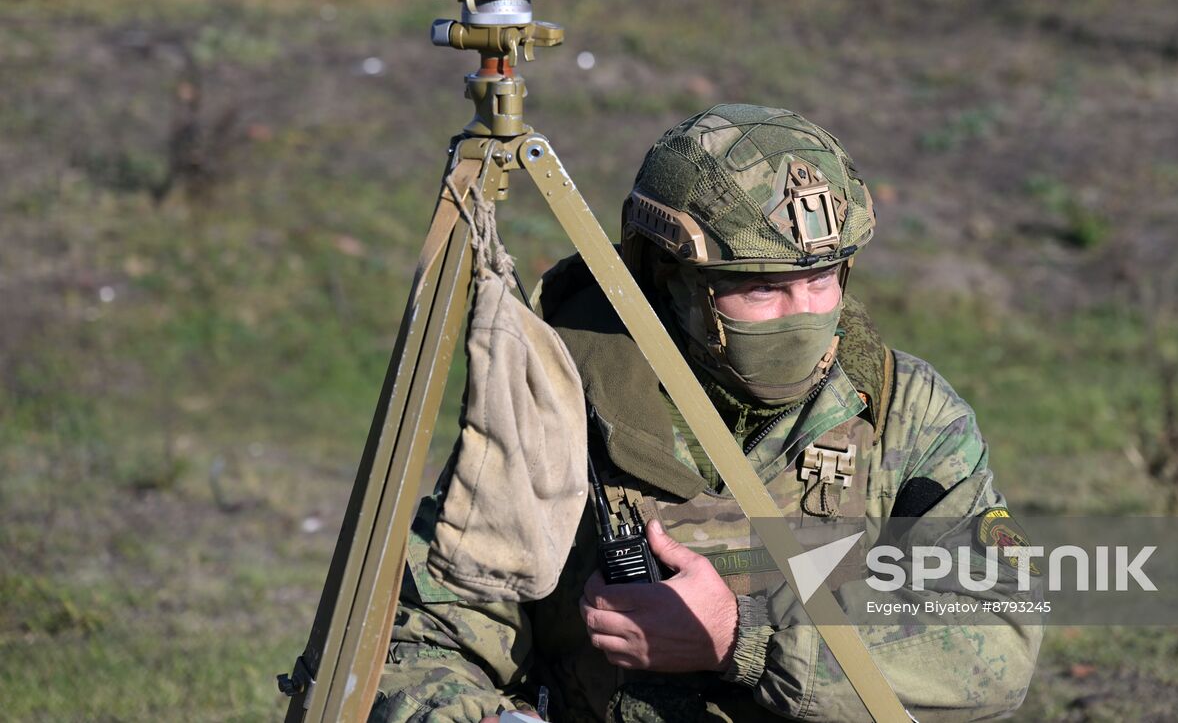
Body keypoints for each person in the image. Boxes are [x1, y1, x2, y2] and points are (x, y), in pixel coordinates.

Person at [371, 104, 1040, 722]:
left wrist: (737, 636)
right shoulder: (558, 404)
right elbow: (422, 636)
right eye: (763, 288)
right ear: (673, 277)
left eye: (821, 277)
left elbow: (997, 639)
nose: (803, 312)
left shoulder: (906, 413)